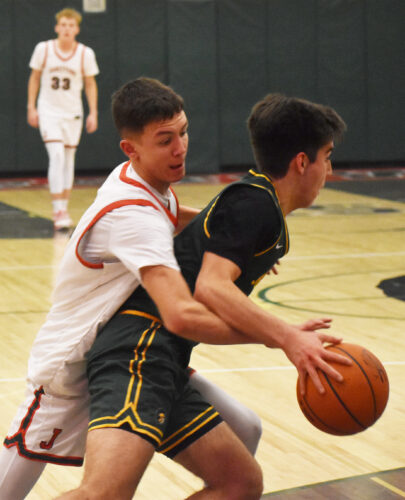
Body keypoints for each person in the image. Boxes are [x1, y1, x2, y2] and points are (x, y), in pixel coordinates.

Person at [56, 93, 349, 499]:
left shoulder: (257, 203)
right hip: (138, 353)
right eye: (327, 157)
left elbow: (208, 239)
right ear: (302, 162)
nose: (329, 170)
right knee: (103, 494)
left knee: (240, 482)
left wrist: (279, 328)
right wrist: (287, 336)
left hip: (164, 357)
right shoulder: (256, 203)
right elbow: (212, 287)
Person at [0, 77, 265, 500]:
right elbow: (180, 311)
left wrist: (234, 237)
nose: (180, 148)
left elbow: (173, 215)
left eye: (183, 132)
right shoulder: (132, 216)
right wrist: (278, 335)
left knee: (245, 430)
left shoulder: (141, 179)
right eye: (165, 140)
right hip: (71, 368)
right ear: (131, 148)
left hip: (129, 357)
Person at [27, 7, 99, 230]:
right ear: (57, 27)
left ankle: (63, 207)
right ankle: (58, 209)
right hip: (49, 110)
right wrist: (31, 107)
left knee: (68, 159)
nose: (67, 29)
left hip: (73, 112)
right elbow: (34, 78)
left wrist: (93, 112)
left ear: (77, 29)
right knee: (57, 155)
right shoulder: (44, 49)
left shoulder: (85, 53)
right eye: (64, 25)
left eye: (71, 25)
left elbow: (90, 84)